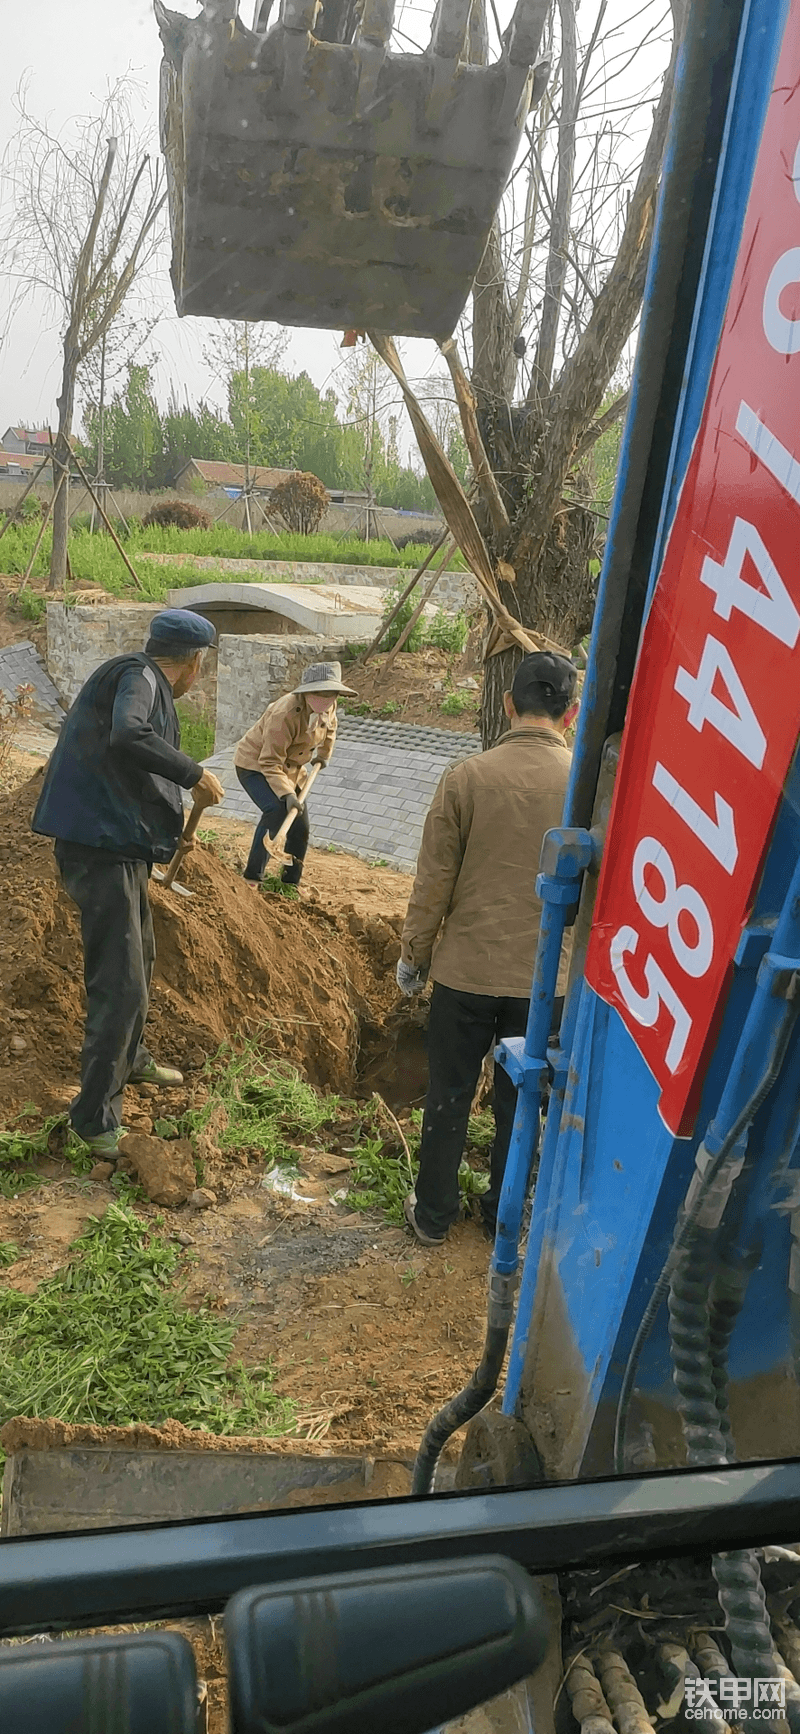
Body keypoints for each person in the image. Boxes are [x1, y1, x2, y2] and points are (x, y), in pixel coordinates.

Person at [396, 651, 579, 1246]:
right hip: (545, 983)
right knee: (522, 1104)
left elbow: (433, 883)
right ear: (571, 712)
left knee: (448, 1092)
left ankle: (432, 1216)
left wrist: (415, 956)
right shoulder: (587, 789)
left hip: (466, 973)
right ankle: (505, 1219)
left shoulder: (466, 778)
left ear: (507, 703)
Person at [32, 608, 225, 1156]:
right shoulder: (139, 677)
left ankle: (132, 1060)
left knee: (140, 959)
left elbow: (130, 764)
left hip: (118, 847)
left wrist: (167, 826)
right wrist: (193, 773)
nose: (199, 676)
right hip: (99, 850)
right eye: (202, 666)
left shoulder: (143, 680)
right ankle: (92, 1120)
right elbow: (128, 735)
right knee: (120, 983)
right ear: (191, 663)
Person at [234, 660, 355, 889]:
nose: (325, 699)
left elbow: (330, 728)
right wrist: (287, 793)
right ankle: (252, 878)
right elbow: (269, 761)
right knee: (276, 810)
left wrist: (323, 755)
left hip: (293, 770)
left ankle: (290, 883)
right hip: (255, 766)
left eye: (331, 694)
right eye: (319, 693)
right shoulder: (284, 714)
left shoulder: (330, 705)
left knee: (300, 827)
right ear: (307, 693)